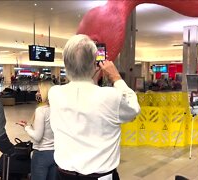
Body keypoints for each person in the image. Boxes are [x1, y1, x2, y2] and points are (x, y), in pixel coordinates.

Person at [48, 34, 141, 180]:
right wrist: (116, 78)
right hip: (100, 176)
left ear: (65, 65)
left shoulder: (54, 93)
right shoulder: (110, 97)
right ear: (95, 65)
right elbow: (133, 109)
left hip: (63, 175)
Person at [17, 80, 56, 180]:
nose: (37, 93)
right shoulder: (57, 109)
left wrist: (26, 128)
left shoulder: (41, 110)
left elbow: (37, 137)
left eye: (39, 91)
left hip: (41, 154)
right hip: (55, 154)